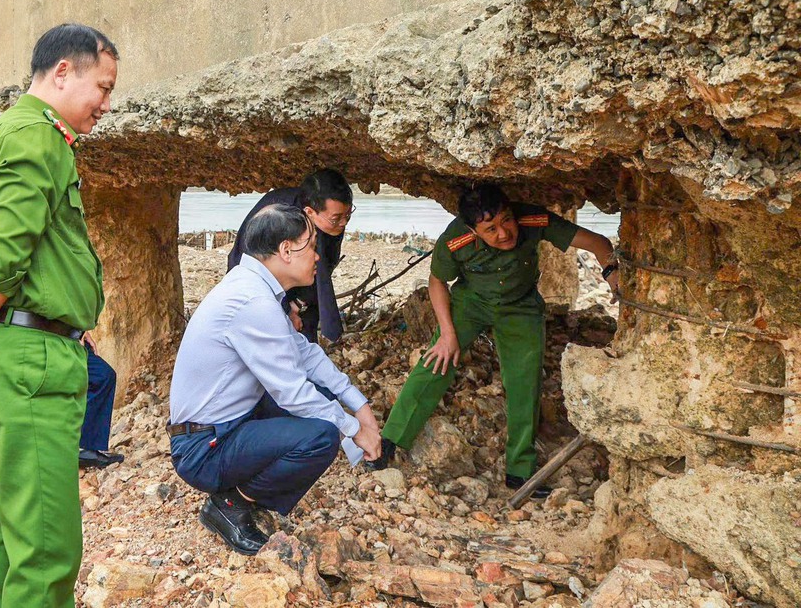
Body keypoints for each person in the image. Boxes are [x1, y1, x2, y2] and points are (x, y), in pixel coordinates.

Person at [0, 23, 117, 608]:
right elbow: (3, 260)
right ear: (63, 71)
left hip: (24, 353)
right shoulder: (36, 136)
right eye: (103, 87)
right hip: (28, 357)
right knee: (46, 550)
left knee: (20, 531)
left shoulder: (24, 134)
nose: (106, 105)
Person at [371, 184, 619, 495]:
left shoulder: (532, 221)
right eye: (491, 229)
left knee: (525, 381)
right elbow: (437, 281)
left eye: (506, 220)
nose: (504, 233)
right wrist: (448, 334)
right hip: (471, 303)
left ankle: (520, 473)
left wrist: (611, 271)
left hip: (521, 305)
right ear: (474, 232)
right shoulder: (455, 239)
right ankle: (391, 440)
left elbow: (597, 242)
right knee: (436, 361)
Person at [169, 204, 382, 555]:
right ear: (286, 250)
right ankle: (231, 505)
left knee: (323, 398)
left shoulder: (254, 287)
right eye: (311, 246)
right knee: (321, 434)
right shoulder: (252, 301)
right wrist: (352, 429)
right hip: (203, 449)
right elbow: (293, 392)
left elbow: (305, 353)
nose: (317, 256)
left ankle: (243, 492)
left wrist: (359, 404)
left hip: (223, 428)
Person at [228, 169, 354, 343]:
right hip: (262, 287)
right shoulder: (276, 220)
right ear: (310, 212)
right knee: (275, 340)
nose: (344, 223)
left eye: (348, 215)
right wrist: (285, 309)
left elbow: (325, 265)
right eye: (337, 218)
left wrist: (300, 303)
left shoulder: (331, 222)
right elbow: (256, 271)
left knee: (306, 338)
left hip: (303, 287)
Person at [79, 340, 124, 469]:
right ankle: (82, 448)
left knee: (102, 375)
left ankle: (85, 447)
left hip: (70, 335)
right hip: (52, 338)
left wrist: (81, 329)